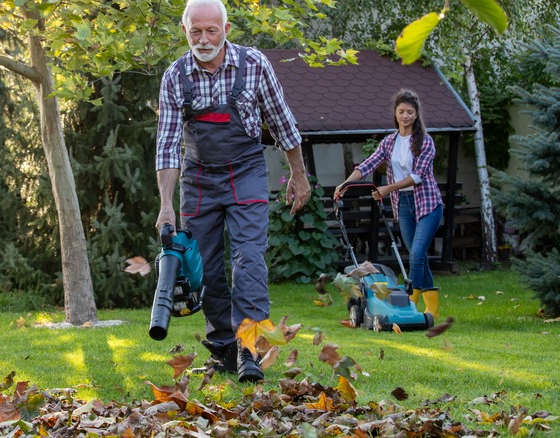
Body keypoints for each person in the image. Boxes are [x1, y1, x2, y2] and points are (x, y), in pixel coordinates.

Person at [154, 0, 310, 382]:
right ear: (184, 30)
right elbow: (168, 144)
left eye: (211, 30)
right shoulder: (175, 77)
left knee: (250, 259)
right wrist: (166, 206)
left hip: (246, 172)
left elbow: (281, 121)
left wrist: (299, 175)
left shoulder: (253, 65)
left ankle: (250, 348)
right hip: (199, 179)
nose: (204, 39)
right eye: (196, 31)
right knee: (202, 268)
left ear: (226, 29)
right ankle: (224, 348)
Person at [334, 89, 443, 319]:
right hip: (403, 204)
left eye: (410, 112)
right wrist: (344, 184)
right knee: (418, 257)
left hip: (427, 204)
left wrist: (387, 188)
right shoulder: (389, 142)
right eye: (401, 111)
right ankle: (431, 308)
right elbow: (367, 166)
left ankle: (409, 304)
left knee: (415, 256)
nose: (405, 116)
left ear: (416, 115)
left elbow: (417, 176)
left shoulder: (425, 141)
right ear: (395, 113)